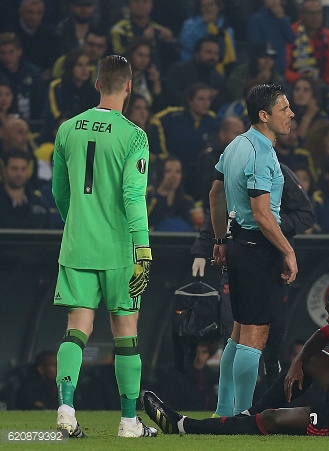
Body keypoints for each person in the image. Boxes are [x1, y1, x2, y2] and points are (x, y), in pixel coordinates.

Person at [143, 283, 329, 437]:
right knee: (308, 359)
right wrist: (297, 362)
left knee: (272, 419)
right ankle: (248, 414)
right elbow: (322, 334)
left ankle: (183, 425)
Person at [52, 55, 157, 438]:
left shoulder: (67, 130)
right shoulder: (134, 136)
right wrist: (142, 250)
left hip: (78, 245)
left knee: (76, 329)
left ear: (97, 84)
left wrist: (78, 222)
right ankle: (129, 422)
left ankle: (66, 407)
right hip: (120, 250)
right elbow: (133, 195)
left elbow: (59, 192)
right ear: (129, 87)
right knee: (125, 332)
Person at [208, 83, 298, 417]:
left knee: (240, 330)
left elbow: (215, 194)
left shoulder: (236, 145)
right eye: (284, 108)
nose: (291, 114)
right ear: (264, 115)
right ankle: (243, 416)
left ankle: (223, 413)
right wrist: (287, 251)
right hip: (257, 248)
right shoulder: (260, 152)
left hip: (237, 244)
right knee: (255, 335)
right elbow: (261, 214)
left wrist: (220, 240)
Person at [0, 149, 49, 229]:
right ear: (4, 170)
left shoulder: (40, 206)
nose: (19, 174)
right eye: (14, 168)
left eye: (23, 169)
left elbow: (49, 238)